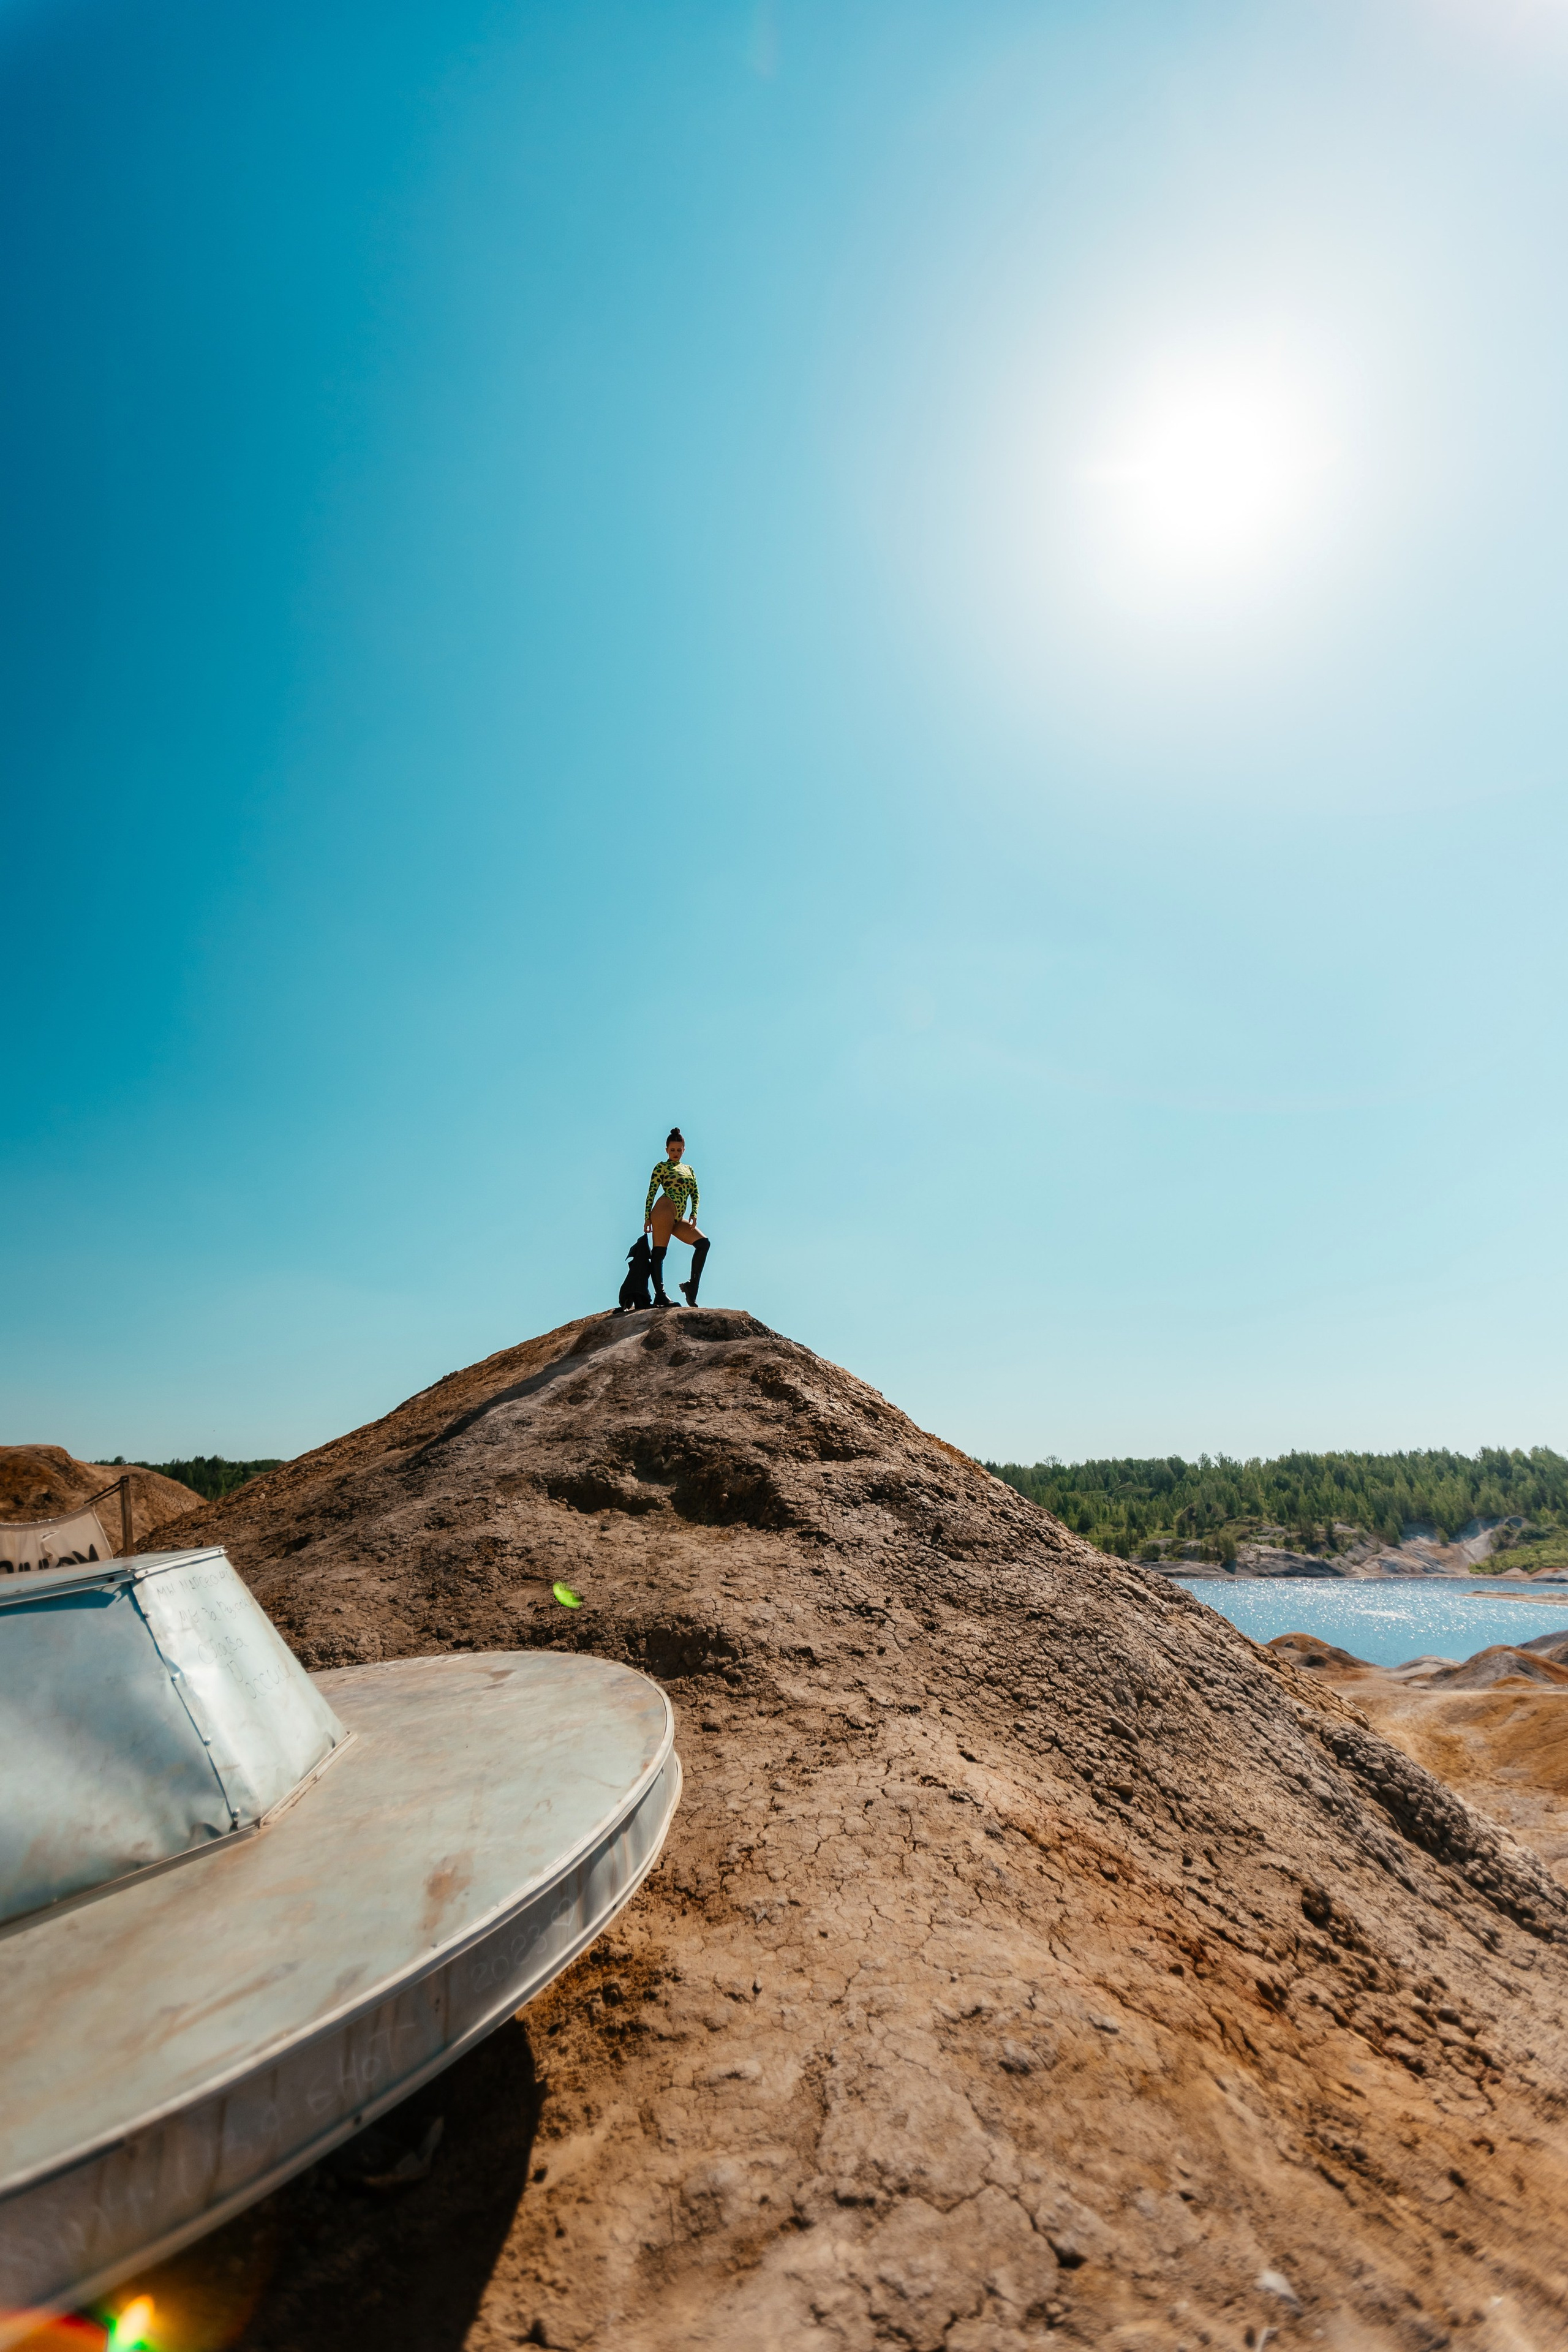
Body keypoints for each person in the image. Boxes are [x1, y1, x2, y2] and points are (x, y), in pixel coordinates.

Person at [644, 1128, 710, 1308]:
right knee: (660, 1252)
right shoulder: (662, 1167)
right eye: (672, 1150)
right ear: (666, 1150)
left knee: (703, 1244)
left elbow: (695, 1193)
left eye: (679, 1150)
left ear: (684, 1150)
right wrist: (647, 1216)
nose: (675, 1153)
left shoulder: (689, 1169)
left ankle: (692, 1287)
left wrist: (694, 1213)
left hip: (678, 1217)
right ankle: (660, 1295)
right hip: (665, 1209)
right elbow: (652, 1191)